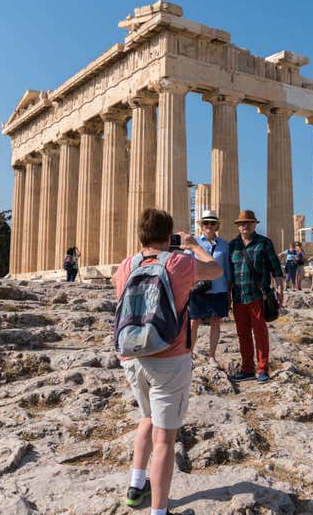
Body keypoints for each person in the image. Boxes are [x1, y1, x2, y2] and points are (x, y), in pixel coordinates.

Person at [115, 208, 222, 513]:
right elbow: (214, 270)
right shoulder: (178, 262)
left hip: (132, 357)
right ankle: (159, 510)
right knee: (165, 439)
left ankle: (136, 486)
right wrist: (193, 245)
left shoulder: (126, 266)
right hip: (169, 357)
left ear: (141, 234)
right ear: (169, 235)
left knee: (146, 418)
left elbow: (117, 287)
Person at [228, 210, 285, 384]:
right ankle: (247, 369)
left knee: (260, 333)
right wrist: (227, 295)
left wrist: (280, 288)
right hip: (238, 296)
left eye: (248, 223)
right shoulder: (233, 245)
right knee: (242, 333)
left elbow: (275, 267)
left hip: (258, 295)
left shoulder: (264, 243)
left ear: (255, 224)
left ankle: (262, 369)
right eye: (241, 223)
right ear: (238, 226)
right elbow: (230, 273)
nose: (244, 226)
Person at [186, 210, 232, 368]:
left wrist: (229, 292)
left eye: (212, 223)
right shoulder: (193, 243)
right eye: (206, 223)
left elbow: (227, 269)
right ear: (201, 226)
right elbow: (185, 265)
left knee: (215, 322)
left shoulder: (225, 245)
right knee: (194, 322)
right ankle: (189, 354)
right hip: (199, 289)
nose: (209, 226)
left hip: (219, 288)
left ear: (217, 226)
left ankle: (212, 356)